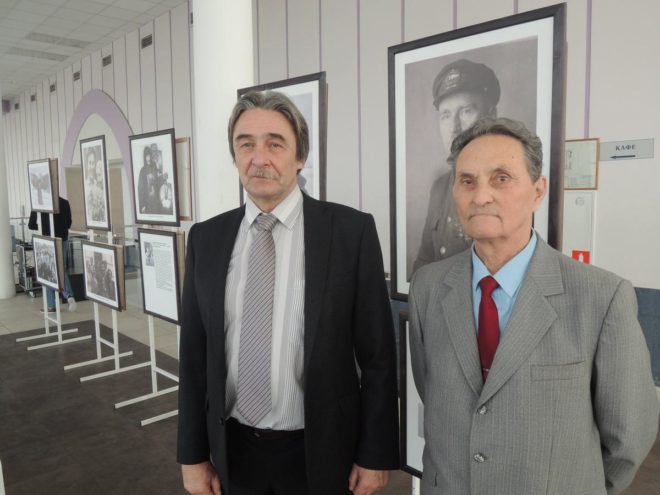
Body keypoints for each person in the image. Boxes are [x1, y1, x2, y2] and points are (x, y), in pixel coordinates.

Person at [408, 117, 659, 494]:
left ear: (538, 191)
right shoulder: (428, 287)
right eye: (467, 181)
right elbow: (432, 390)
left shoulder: (601, 297)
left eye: (501, 178)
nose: (481, 196)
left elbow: (627, 439)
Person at [177, 91, 399, 495]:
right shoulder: (206, 239)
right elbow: (193, 356)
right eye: (246, 144)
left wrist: (375, 453)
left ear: (300, 157)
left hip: (322, 449)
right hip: (233, 449)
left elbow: (378, 356)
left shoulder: (350, 233)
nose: (258, 158)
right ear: (234, 156)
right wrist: (192, 455)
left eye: (275, 144)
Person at [412, 59, 500, 274]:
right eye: (446, 115)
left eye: (466, 111)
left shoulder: (507, 186)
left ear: (491, 116)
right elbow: (423, 264)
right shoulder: (440, 187)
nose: (454, 127)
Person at [28, 196, 77, 313]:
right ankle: (68, 296)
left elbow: (31, 225)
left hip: (47, 240)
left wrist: (44, 227)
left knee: (47, 270)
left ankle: (51, 305)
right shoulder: (64, 202)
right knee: (60, 268)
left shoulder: (38, 203)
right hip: (62, 239)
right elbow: (69, 223)